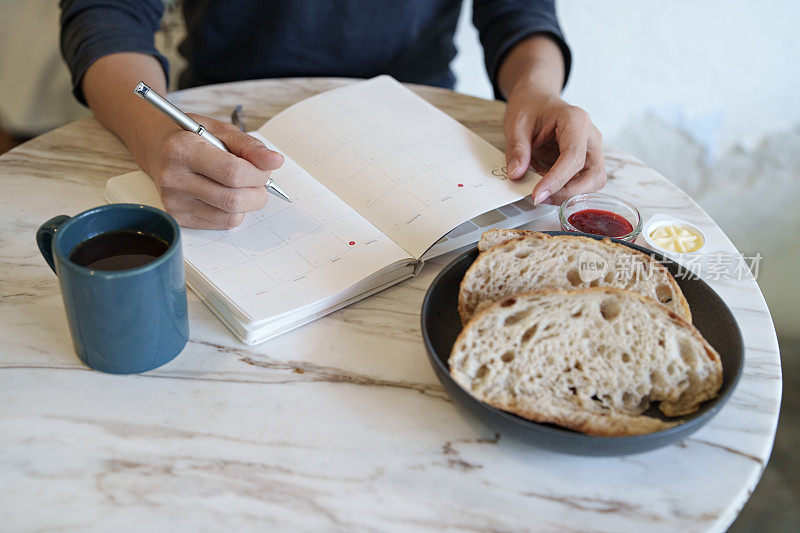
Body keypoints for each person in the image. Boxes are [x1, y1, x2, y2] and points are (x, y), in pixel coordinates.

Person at [60, 0, 605, 230]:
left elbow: (518, 11)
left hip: (423, 120)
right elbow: (108, 14)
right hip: (223, 124)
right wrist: (156, 133)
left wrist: (538, 89)